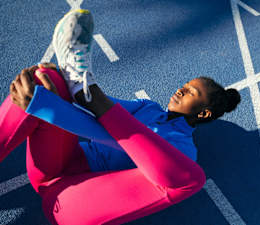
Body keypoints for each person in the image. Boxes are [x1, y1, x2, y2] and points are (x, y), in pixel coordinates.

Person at [0, 9, 240, 225]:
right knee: (43, 79)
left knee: (190, 177)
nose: (180, 90)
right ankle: (81, 87)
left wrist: (52, 110)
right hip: (54, 166)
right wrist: (60, 93)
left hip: (77, 201)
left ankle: (84, 90)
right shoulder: (149, 107)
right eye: (184, 85)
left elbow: (116, 140)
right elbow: (102, 109)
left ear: (204, 112)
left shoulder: (183, 151)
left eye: (190, 92)